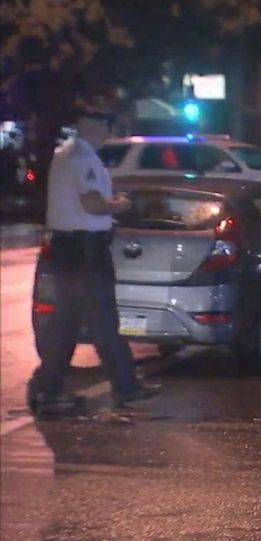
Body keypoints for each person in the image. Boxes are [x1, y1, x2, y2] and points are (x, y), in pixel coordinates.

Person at [28, 93, 160, 414]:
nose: (106, 130)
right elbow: (91, 203)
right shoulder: (82, 158)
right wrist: (118, 205)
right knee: (102, 320)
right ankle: (125, 387)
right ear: (88, 124)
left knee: (67, 323)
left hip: (67, 249)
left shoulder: (66, 155)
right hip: (85, 251)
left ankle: (49, 388)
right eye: (102, 123)